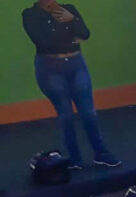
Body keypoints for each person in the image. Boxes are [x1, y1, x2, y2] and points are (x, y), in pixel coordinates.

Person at [22, 0, 121, 169]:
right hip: (50, 67)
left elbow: (85, 34)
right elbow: (41, 41)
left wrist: (73, 20)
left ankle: (101, 153)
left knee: (88, 112)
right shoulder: (30, 15)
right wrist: (70, 39)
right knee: (65, 114)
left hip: (76, 63)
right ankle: (74, 159)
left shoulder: (69, 9)